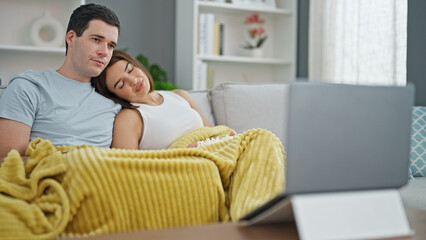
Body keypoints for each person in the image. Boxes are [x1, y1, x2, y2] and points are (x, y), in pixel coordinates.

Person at [0, 4, 122, 161]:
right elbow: (7, 162)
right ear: (71, 38)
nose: (104, 52)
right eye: (96, 39)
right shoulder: (28, 87)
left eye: (111, 45)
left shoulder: (115, 101)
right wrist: (73, 163)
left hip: (100, 182)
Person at [92, 50, 211, 150]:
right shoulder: (129, 118)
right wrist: (179, 157)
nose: (133, 81)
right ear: (115, 96)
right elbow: (128, 169)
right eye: (121, 84)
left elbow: (212, 133)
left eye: (130, 70)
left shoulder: (180, 95)